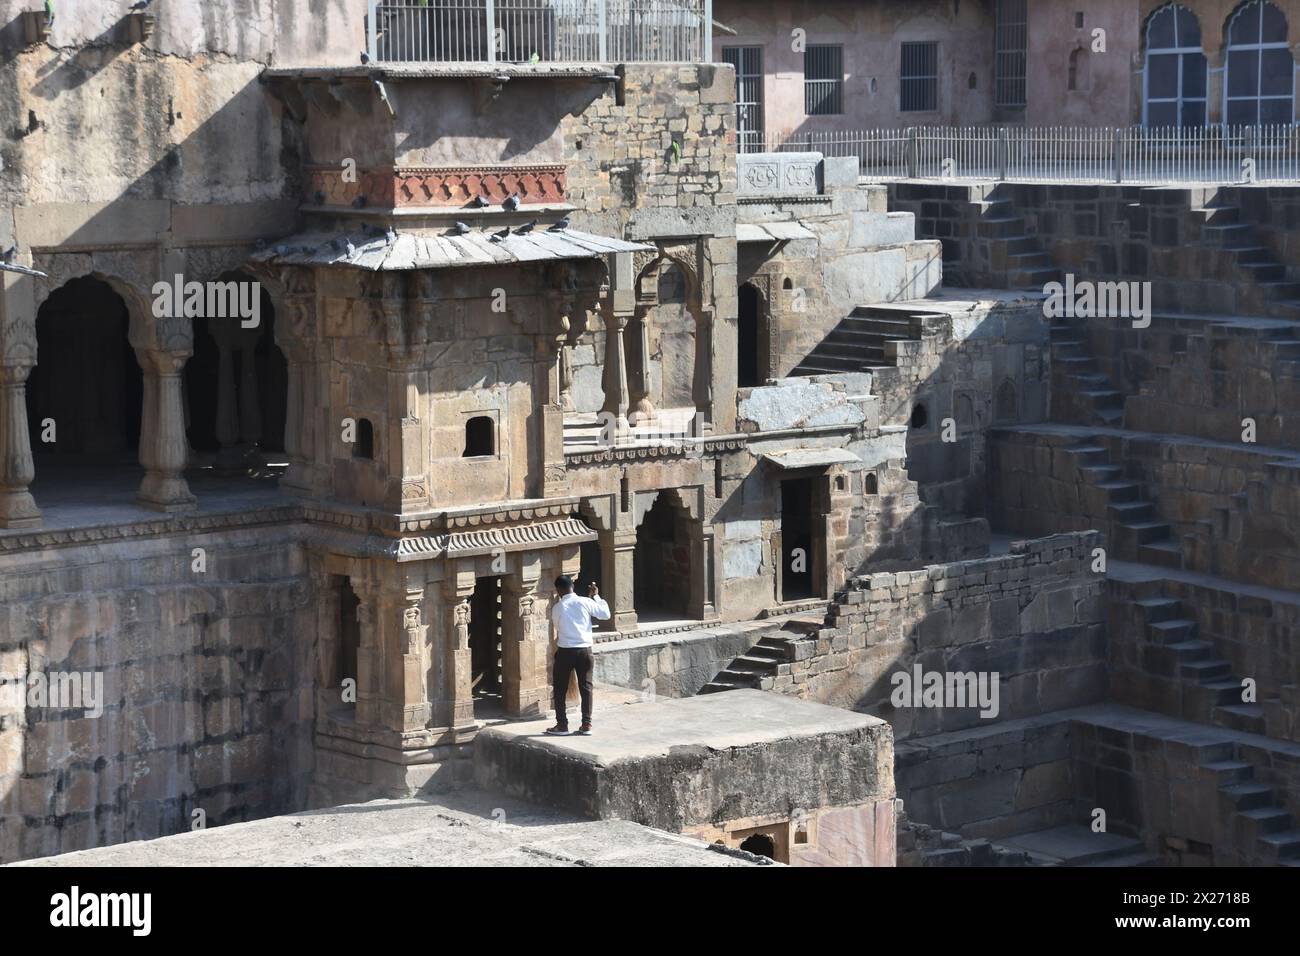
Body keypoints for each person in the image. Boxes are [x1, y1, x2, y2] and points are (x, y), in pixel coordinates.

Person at [546, 574, 609, 736]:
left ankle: (562, 725)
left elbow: (558, 626)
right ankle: (586, 724)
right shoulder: (585, 601)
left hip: (566, 651)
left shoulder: (557, 608)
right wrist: (595, 596)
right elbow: (605, 614)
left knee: (560, 689)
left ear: (559, 590)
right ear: (572, 587)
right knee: (586, 687)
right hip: (585, 651)